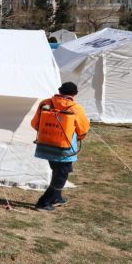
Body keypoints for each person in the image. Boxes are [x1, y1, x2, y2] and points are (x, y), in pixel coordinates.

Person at [31, 82, 90, 212]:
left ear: (59, 90)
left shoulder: (45, 103)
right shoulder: (76, 108)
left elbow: (35, 123)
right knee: (61, 175)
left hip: (45, 145)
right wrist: (78, 137)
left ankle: (57, 198)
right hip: (65, 149)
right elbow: (83, 129)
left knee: (57, 171)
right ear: (74, 94)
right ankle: (44, 203)